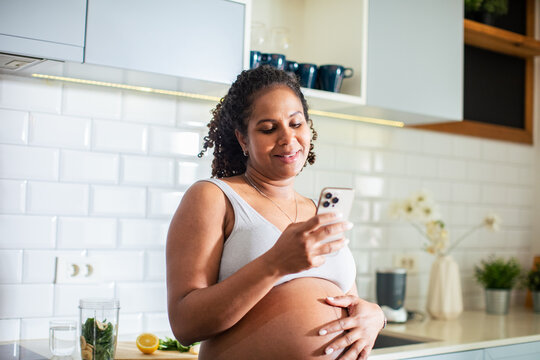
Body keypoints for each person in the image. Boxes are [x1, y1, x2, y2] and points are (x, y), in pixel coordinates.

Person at [166, 65, 386, 360]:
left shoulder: (317, 212)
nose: (287, 138)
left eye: (296, 124)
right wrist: (274, 264)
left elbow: (349, 303)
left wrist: (374, 317)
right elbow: (185, 323)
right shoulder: (214, 196)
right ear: (243, 139)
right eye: (268, 128)